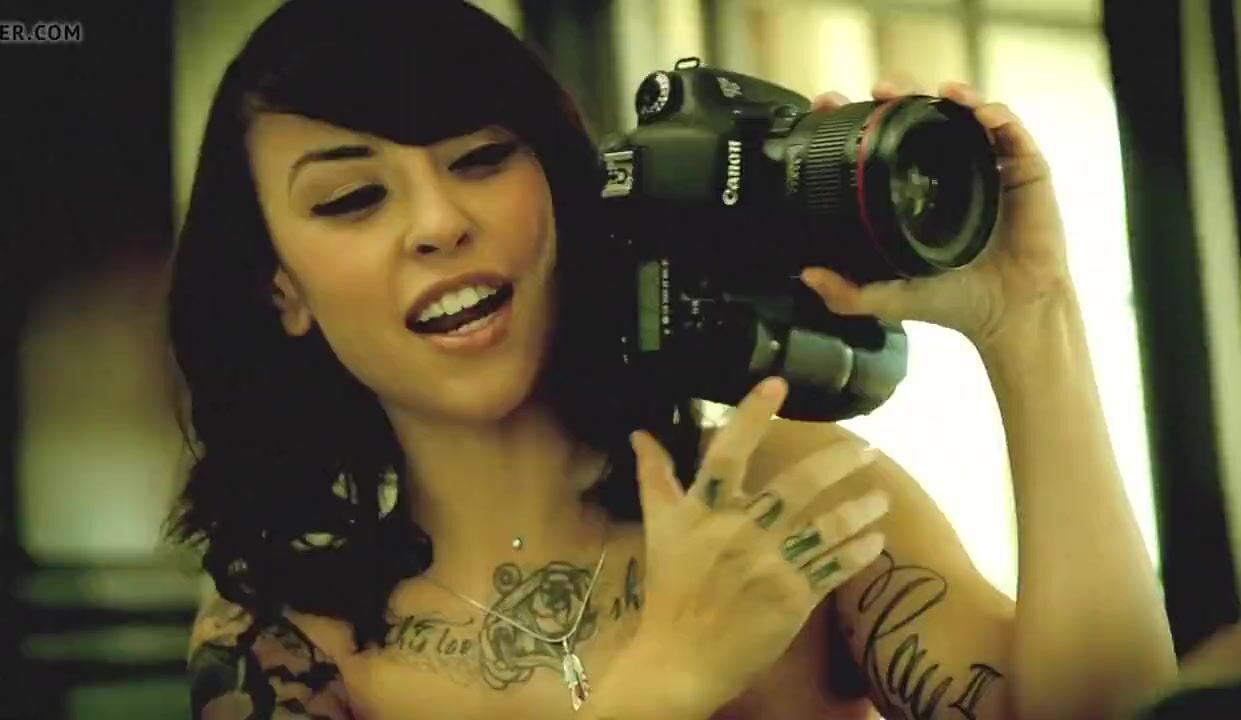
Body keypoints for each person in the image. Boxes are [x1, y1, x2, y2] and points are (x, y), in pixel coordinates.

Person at [170, 1, 1177, 718]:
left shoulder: (788, 495)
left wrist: (1031, 321)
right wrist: (665, 680)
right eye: (352, 199)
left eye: (481, 159)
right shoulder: (277, 640)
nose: (438, 222)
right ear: (281, 290)